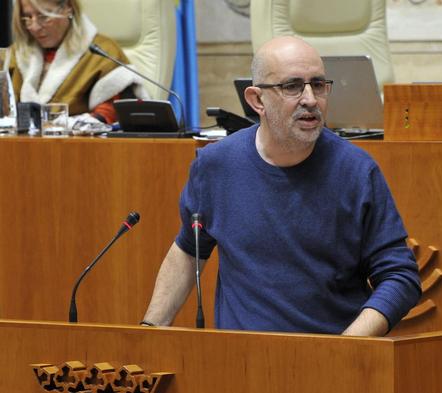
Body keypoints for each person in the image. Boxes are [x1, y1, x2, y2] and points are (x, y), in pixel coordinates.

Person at [142, 36, 421, 336]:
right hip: (242, 365)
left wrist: (347, 348)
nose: (310, 99)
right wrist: (150, 331)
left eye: (318, 84)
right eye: (292, 86)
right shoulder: (215, 166)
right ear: (257, 100)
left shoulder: (356, 171)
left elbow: (399, 276)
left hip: (331, 365)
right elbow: (188, 251)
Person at [8, 0, 148, 125]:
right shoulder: (14, 55)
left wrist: (71, 124)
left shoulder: (102, 53)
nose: (34, 27)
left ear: (68, 7)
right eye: (27, 17)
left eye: (43, 17)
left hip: (82, 149)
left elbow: (110, 115)